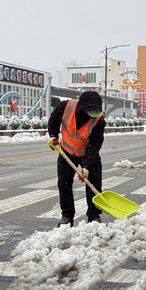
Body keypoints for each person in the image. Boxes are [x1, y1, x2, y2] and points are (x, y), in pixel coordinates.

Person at [48, 91, 106, 227]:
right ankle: (67, 216)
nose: (91, 115)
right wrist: (53, 135)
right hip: (66, 152)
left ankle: (94, 215)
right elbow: (54, 120)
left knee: (94, 184)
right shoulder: (65, 107)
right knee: (64, 184)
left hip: (88, 153)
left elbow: (94, 145)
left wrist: (86, 167)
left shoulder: (99, 119)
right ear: (82, 108)